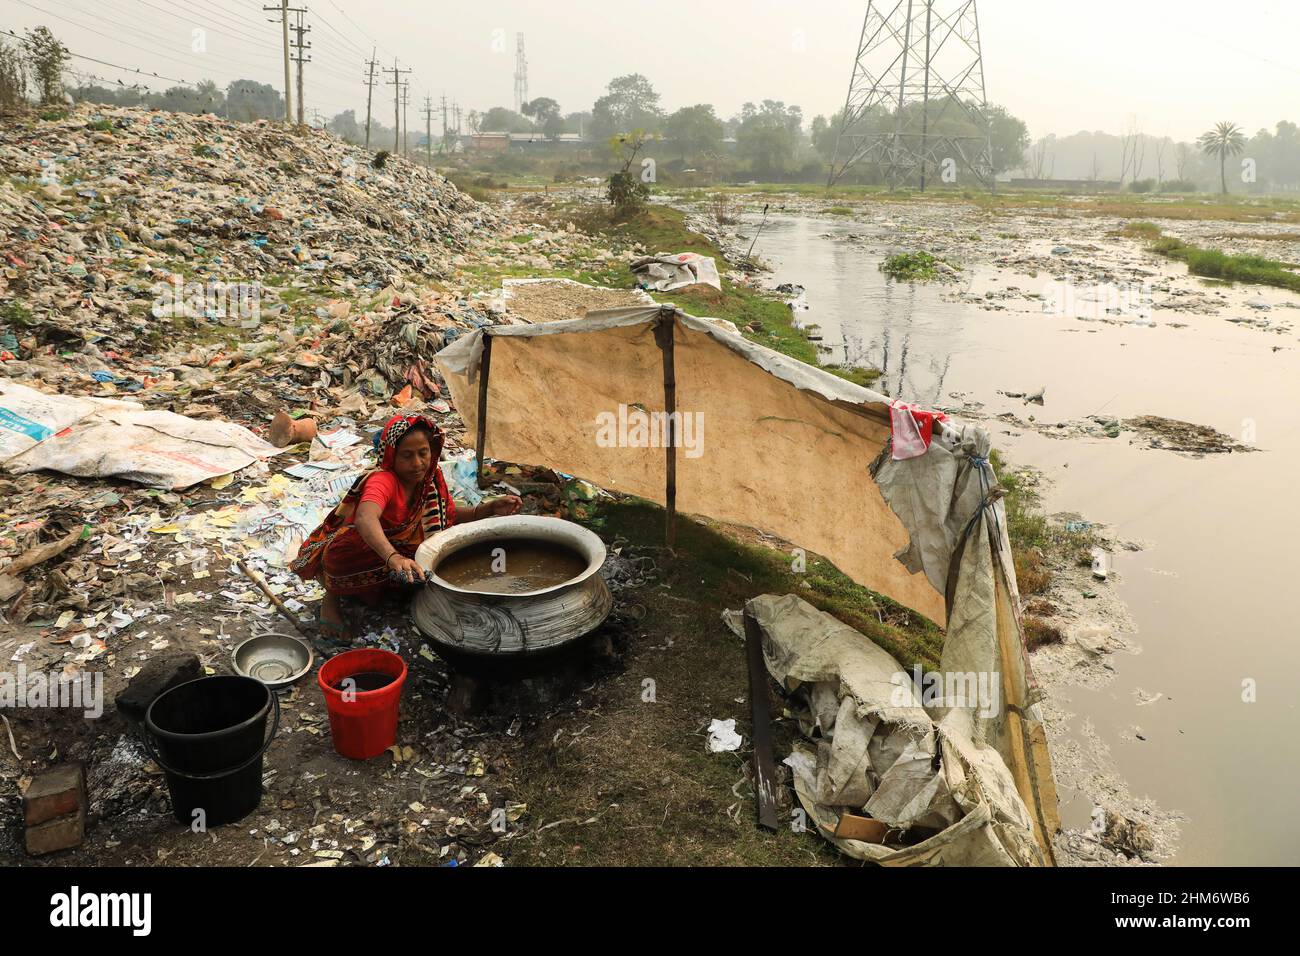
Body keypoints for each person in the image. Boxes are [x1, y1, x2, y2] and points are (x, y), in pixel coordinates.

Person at [291, 414, 521, 636]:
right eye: (407, 456)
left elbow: (447, 516)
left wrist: (487, 509)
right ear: (392, 456)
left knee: (428, 565)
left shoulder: (430, 479)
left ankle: (378, 587)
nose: (417, 463)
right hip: (364, 549)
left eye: (423, 453)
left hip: (396, 550)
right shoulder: (384, 479)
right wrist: (393, 557)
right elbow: (365, 518)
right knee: (344, 551)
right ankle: (331, 598)